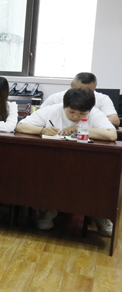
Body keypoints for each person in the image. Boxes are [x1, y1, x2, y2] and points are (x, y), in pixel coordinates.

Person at [15, 88, 116, 234]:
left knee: (101, 178)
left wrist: (78, 128)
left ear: (89, 110)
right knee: (42, 175)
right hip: (52, 163)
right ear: (64, 106)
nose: (76, 116)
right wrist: (42, 130)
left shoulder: (95, 114)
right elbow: (20, 126)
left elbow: (111, 135)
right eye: (71, 112)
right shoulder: (51, 110)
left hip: (85, 164)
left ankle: (100, 215)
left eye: (82, 114)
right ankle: (47, 212)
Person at [40, 72, 119, 126]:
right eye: (78, 89)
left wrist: (88, 124)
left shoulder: (102, 99)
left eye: (88, 90)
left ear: (94, 87)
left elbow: (115, 120)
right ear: (71, 85)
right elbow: (40, 116)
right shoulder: (56, 98)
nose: (82, 93)